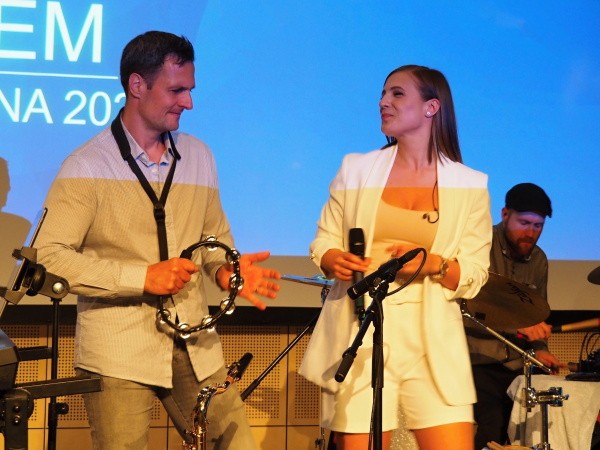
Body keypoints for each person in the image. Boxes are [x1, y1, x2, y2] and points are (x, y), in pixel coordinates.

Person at [35, 31, 280, 450]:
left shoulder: (200, 156)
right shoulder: (86, 165)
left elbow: (212, 240)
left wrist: (224, 271)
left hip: (195, 344)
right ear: (137, 85)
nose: (189, 102)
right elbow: (47, 258)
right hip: (118, 352)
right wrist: (142, 278)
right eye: (176, 90)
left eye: (190, 90)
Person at [298, 64, 492, 450]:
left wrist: (433, 263)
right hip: (363, 330)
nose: (383, 102)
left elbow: (475, 272)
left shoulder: (470, 184)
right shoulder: (357, 169)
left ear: (431, 107)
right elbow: (324, 241)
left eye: (397, 94)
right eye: (383, 94)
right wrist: (332, 258)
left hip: (433, 341)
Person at [466, 182, 564, 449]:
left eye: (538, 226)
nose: (530, 232)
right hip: (476, 361)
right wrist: (517, 328)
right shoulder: (479, 246)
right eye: (524, 223)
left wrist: (540, 349)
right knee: (492, 429)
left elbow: (536, 314)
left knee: (533, 428)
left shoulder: (539, 260)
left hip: (517, 365)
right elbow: (464, 311)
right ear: (505, 214)